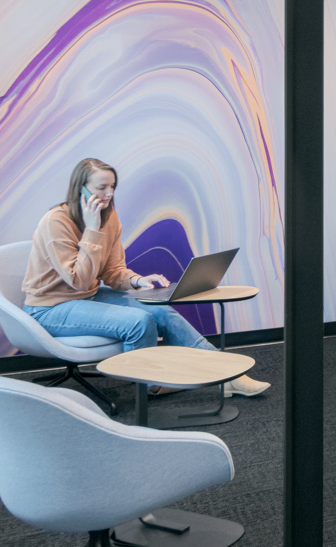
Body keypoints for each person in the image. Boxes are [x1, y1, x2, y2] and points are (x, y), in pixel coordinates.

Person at [23, 157, 269, 398]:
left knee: (162, 312)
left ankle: (227, 376)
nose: (108, 194)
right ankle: (149, 386)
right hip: (50, 308)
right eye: (101, 188)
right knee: (138, 321)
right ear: (81, 189)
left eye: (112, 187)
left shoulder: (110, 217)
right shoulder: (56, 221)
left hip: (89, 296)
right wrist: (91, 230)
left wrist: (137, 281)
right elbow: (78, 280)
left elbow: (112, 271)